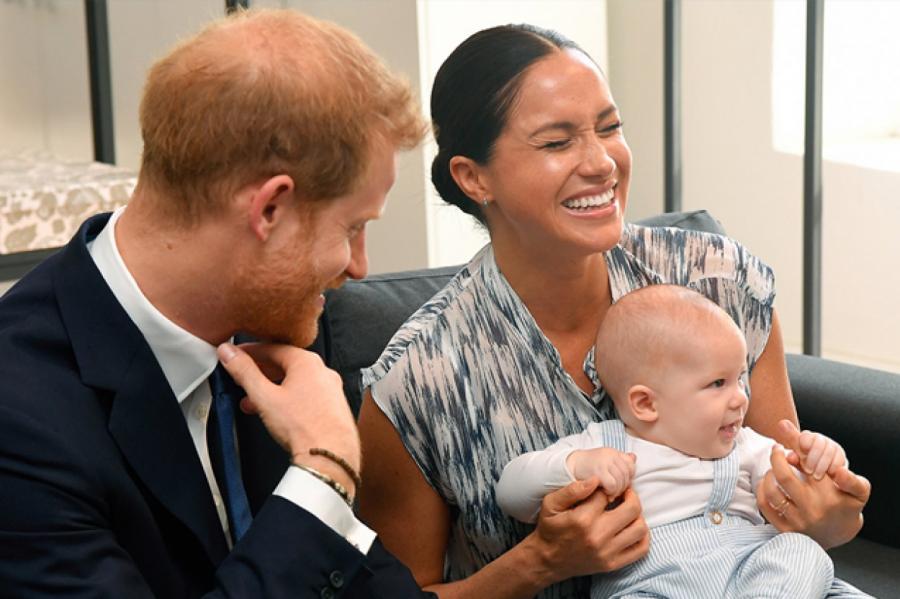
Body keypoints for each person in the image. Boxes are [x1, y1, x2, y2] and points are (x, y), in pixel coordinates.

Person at [356, 23, 871, 598]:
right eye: (557, 142)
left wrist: (826, 517)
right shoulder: (418, 383)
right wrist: (540, 562)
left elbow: (794, 502)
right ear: (473, 177)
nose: (602, 163)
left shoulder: (719, 281)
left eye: (610, 127)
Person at [0, 9, 437, 597]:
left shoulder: (280, 322)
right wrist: (324, 474)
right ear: (270, 210)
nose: (359, 267)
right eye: (353, 227)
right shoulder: (18, 414)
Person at [496, 284, 857, 598]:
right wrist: (575, 466)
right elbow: (511, 491)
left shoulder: (746, 447)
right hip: (654, 585)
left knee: (802, 551)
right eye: (718, 384)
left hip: (758, 574)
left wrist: (821, 458)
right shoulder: (604, 447)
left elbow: (797, 489)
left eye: (740, 378)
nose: (741, 398)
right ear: (646, 404)